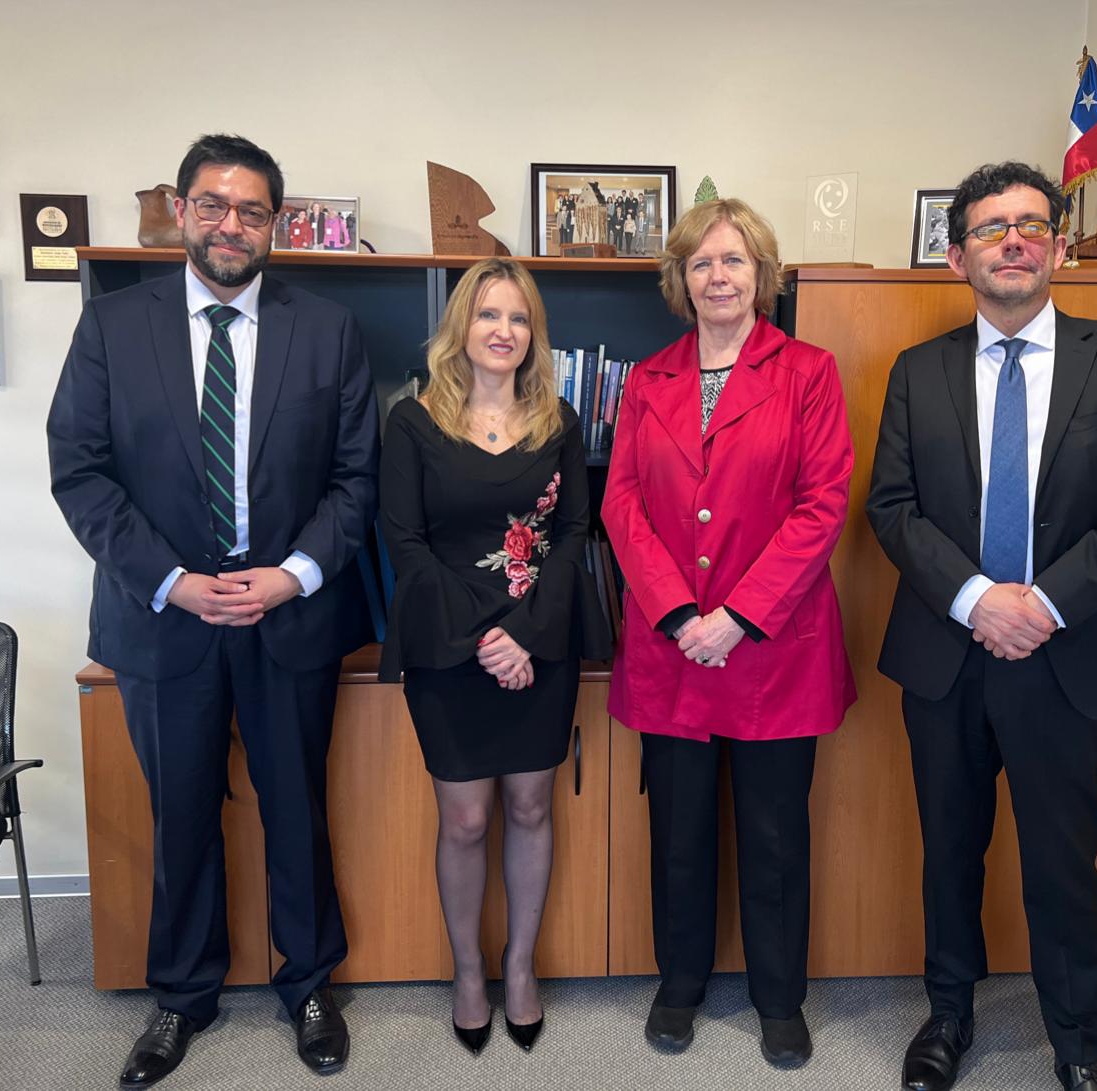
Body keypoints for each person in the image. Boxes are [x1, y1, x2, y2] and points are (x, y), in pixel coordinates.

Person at [47, 133, 379, 1087]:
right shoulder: (113, 325)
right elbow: (80, 470)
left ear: (275, 223)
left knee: (296, 810)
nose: (231, 225)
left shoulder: (328, 329)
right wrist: (174, 581)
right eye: (213, 205)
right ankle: (181, 996)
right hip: (163, 617)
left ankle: (309, 981)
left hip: (290, 615)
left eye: (252, 210)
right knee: (181, 812)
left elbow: (357, 479)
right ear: (184, 211)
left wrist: (292, 575)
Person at [866, 161, 1097, 1091]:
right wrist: (976, 600)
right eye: (992, 227)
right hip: (947, 654)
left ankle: (1078, 1045)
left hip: (1070, 653)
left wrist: (1037, 605)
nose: (1013, 240)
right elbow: (892, 508)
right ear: (958, 254)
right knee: (950, 848)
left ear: (1059, 247)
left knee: (1062, 858)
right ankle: (948, 1018)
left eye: (1032, 225)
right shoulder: (916, 372)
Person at [602, 198, 856, 1069]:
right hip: (674, 649)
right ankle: (679, 986)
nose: (719, 276)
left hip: (773, 649)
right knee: (677, 832)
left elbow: (824, 505)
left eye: (735, 261)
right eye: (703, 262)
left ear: (763, 276)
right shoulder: (647, 379)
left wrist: (738, 617)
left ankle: (780, 999)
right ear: (681, 279)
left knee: (776, 833)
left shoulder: (810, 372)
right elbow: (622, 502)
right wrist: (680, 613)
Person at [379, 257, 610, 1057]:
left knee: (531, 808)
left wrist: (528, 633)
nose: (503, 331)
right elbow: (406, 543)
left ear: (532, 333)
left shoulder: (560, 420)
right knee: (467, 817)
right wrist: (485, 636)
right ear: (461, 329)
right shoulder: (413, 422)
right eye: (487, 316)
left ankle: (519, 967)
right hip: (448, 646)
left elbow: (576, 532)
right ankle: (467, 969)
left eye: (517, 318)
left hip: (541, 643)